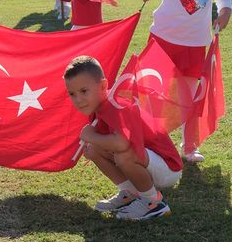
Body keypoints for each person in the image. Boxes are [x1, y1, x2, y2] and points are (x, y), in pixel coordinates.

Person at [139, 0, 232, 163]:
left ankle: (189, 146)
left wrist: (225, 12)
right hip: (162, 41)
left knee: (189, 98)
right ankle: (150, 137)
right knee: (156, 94)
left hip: (194, 46)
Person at [63, 56, 183, 221]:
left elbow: (122, 143)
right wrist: (93, 141)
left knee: (124, 152)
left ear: (104, 85)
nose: (78, 99)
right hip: (148, 163)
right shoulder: (97, 107)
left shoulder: (118, 104)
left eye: (84, 91)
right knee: (92, 149)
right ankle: (131, 193)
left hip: (168, 168)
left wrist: (91, 135)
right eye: (72, 94)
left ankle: (153, 203)